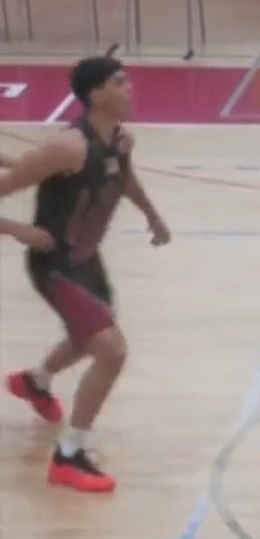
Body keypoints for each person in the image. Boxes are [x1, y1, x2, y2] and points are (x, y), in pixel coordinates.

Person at [0, 56, 172, 494]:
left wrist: (152, 214)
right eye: (119, 82)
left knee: (86, 339)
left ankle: (34, 382)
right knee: (111, 350)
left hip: (87, 260)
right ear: (95, 94)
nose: (130, 88)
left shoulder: (119, 140)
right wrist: (18, 229)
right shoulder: (68, 148)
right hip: (55, 265)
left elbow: (124, 180)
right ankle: (69, 455)